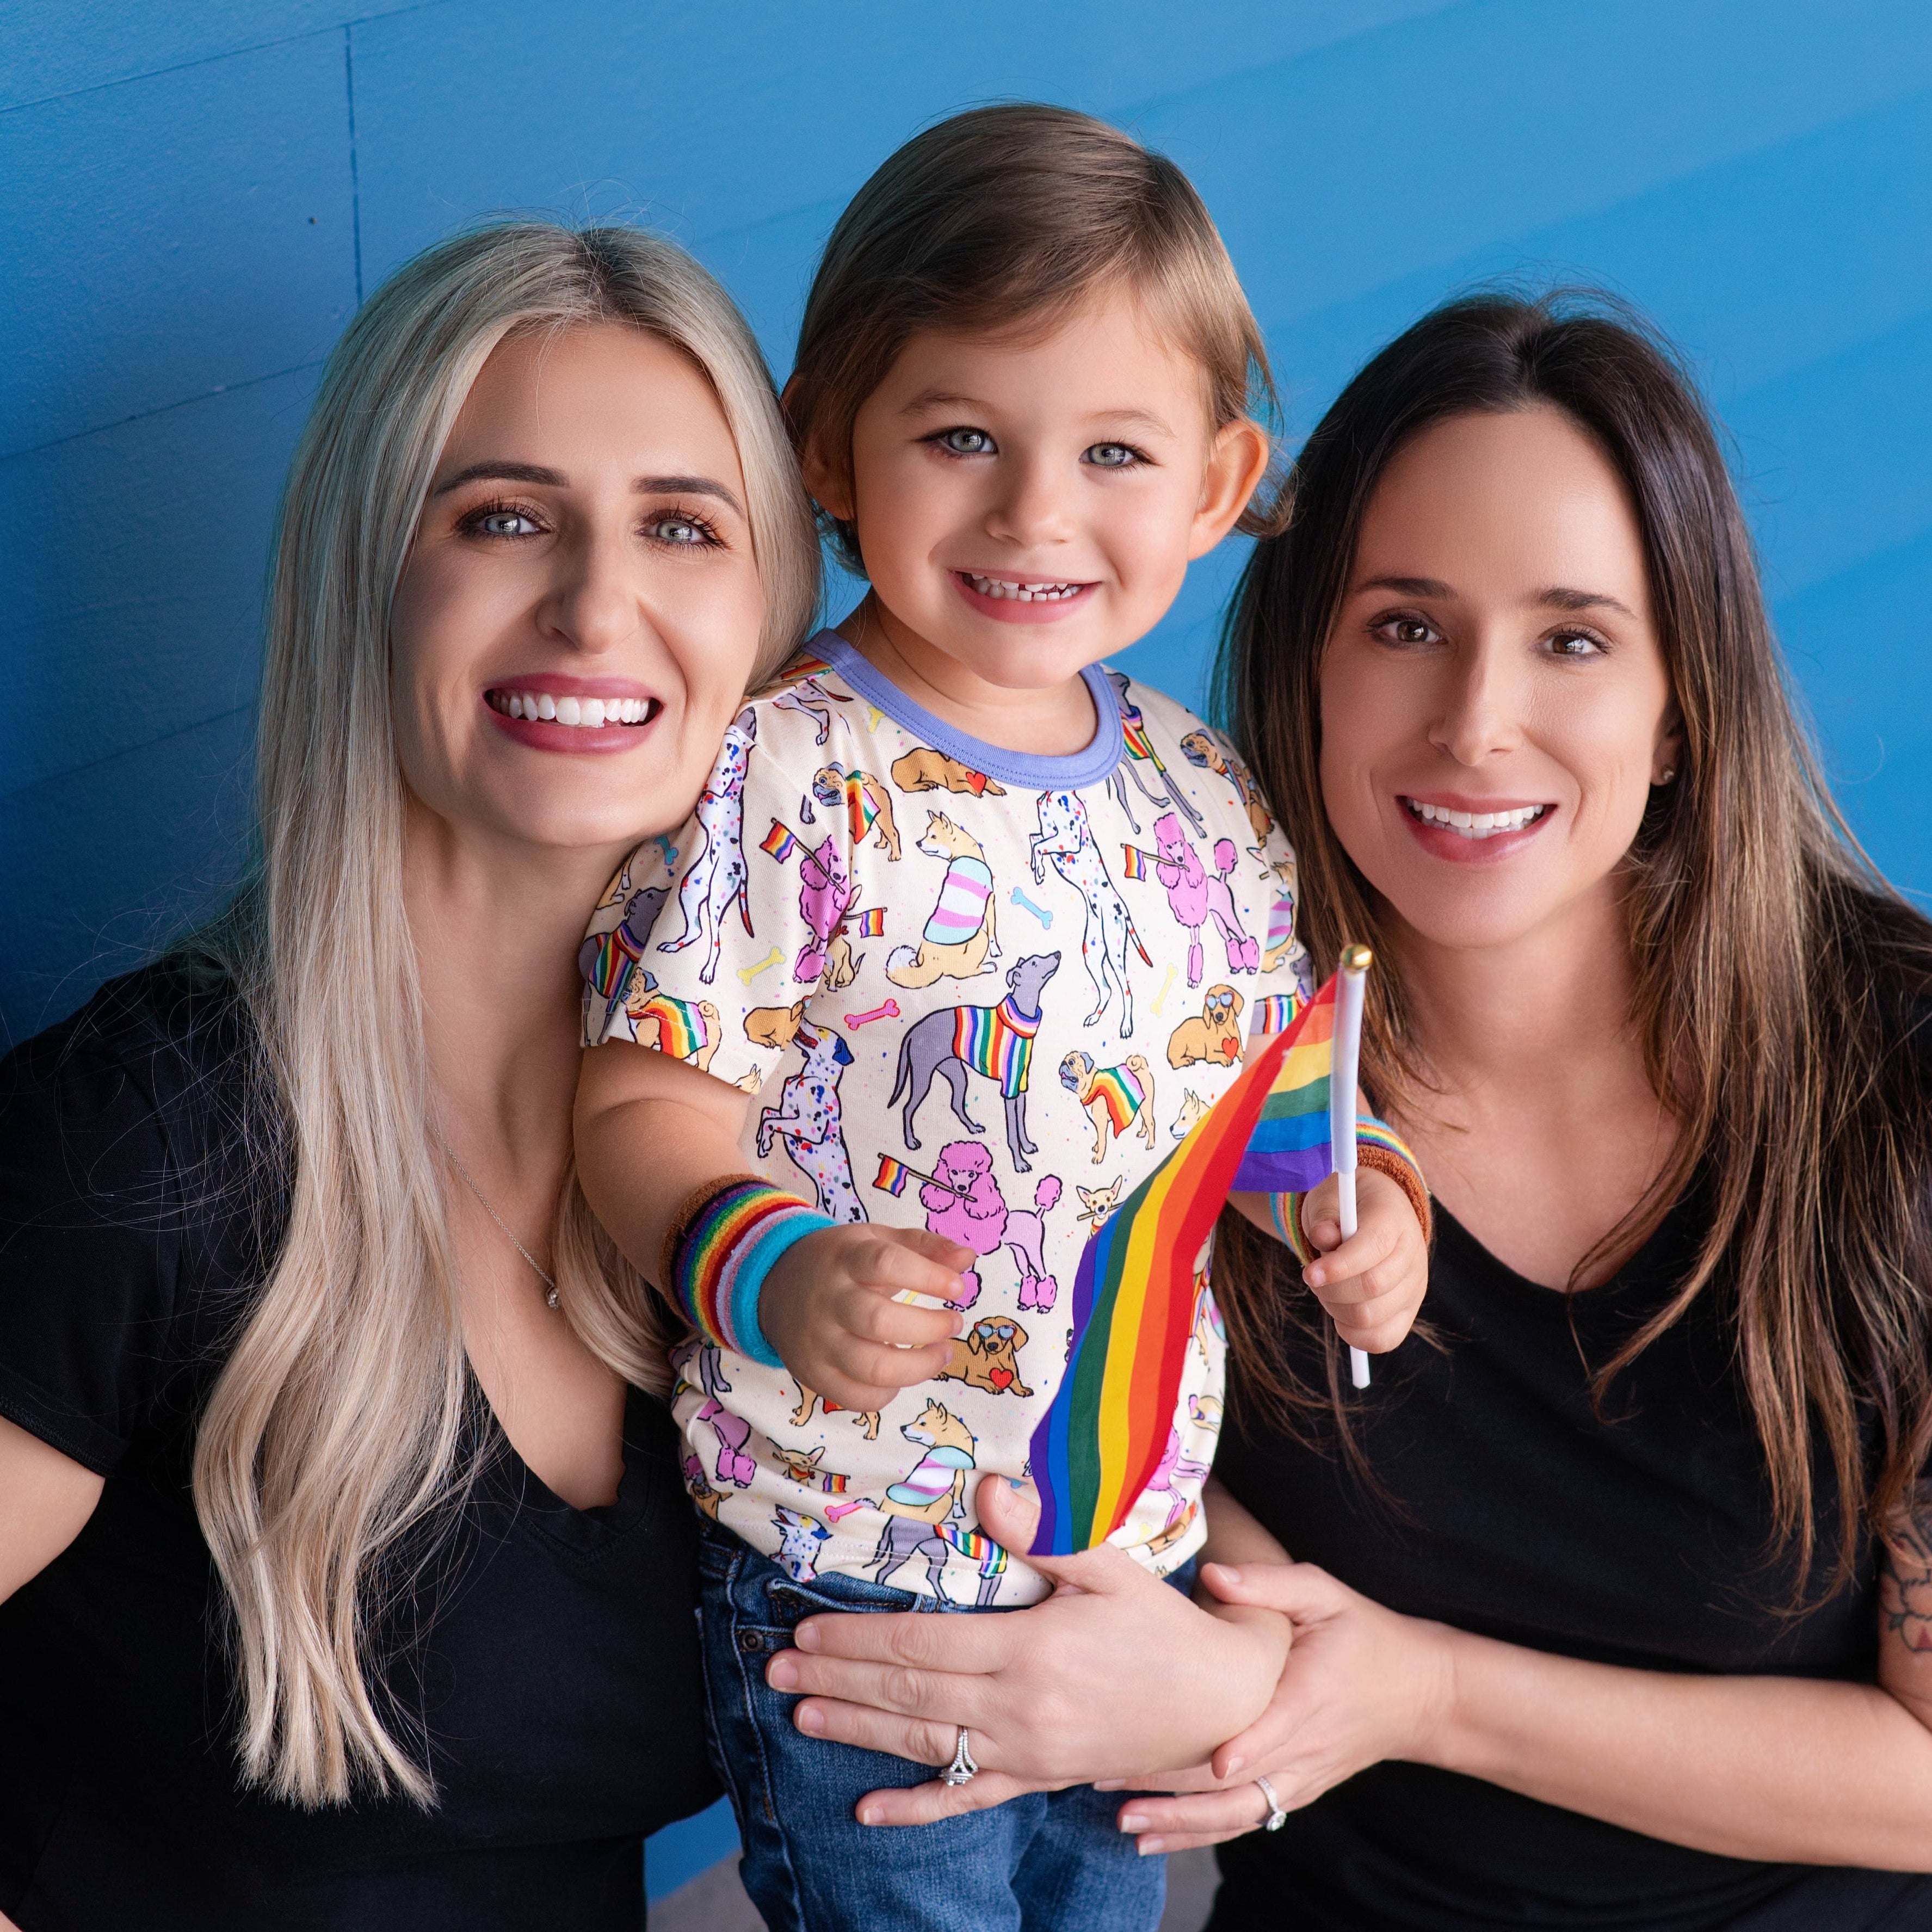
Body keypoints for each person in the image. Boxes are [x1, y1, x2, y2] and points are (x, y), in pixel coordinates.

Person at [755, 292, 1932, 1929]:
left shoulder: (1900, 1073)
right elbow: (1098, 1417)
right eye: (1404, 624)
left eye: (1574, 638)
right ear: (1309, 659)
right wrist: (1215, 1632)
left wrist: (1422, 1692)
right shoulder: (1175, 1025)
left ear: (1682, 709)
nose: (1475, 724)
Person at [572, 106, 1433, 1932]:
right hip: (851, 1566)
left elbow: (1260, 1098)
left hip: (1123, 1557)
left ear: (1215, 486)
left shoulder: (1204, 794)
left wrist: (1361, 1205)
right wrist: (780, 1266)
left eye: (1115, 452)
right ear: (830, 444)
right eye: (962, 435)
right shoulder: (784, 771)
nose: (1037, 513)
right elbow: (645, 1102)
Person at [0, 220, 819, 1930]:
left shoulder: (794, 1163)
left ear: (772, 613)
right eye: (503, 518)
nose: (599, 605)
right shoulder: (151, 1137)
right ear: (366, 576)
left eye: (684, 525)